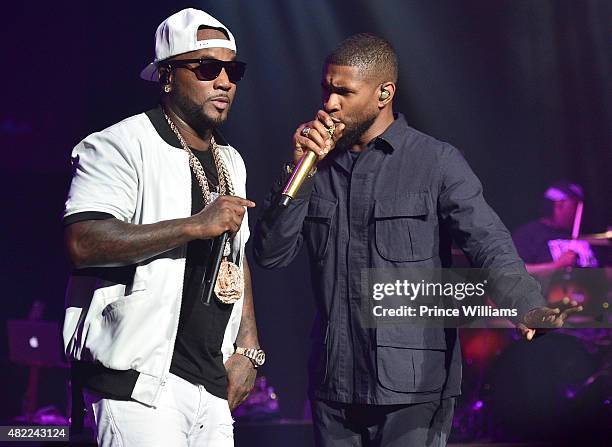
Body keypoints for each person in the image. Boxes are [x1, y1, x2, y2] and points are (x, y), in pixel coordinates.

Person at [253, 33, 580, 446]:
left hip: (411, 389)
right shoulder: (315, 168)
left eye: (344, 92)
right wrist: (296, 171)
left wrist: (526, 304)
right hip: (333, 385)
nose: (329, 103)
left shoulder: (435, 162)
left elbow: (487, 240)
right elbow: (270, 254)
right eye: (326, 89)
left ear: (383, 93)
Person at [62, 8, 265, 447]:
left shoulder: (231, 160)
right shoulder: (120, 144)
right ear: (167, 76)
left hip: (212, 381)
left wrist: (248, 348)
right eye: (208, 68)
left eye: (233, 70)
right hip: (138, 383)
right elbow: (83, 242)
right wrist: (194, 225)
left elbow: (237, 256)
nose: (225, 81)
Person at [512, 181, 595, 275]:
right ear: (559, 206)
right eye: (574, 206)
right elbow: (516, 271)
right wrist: (556, 266)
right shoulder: (528, 235)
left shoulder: (582, 232)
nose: (578, 211)